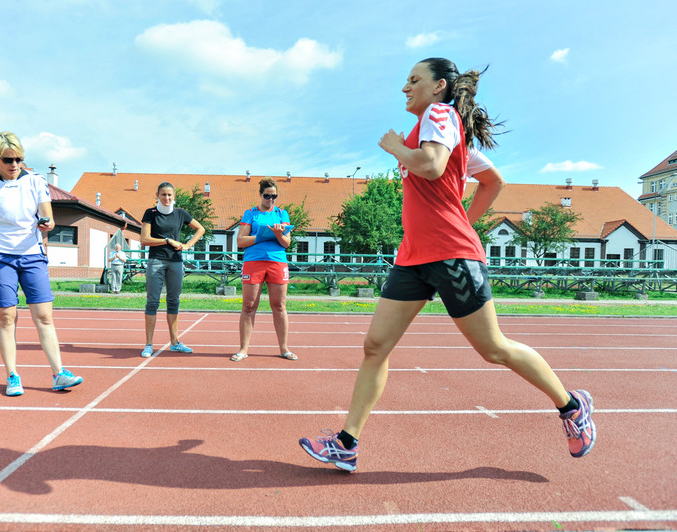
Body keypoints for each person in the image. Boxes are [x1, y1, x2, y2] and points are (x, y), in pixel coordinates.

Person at [299, 58, 595, 471]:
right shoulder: (438, 128)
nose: (405, 87)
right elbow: (491, 180)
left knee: (493, 349)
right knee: (375, 346)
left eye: (413, 80)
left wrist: (397, 149)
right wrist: (455, 208)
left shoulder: (440, 115)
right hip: (414, 256)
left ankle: (571, 406)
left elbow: (434, 166)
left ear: (438, 87)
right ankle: (347, 443)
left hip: (452, 254)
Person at [0, 131, 83, 397]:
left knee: (44, 316)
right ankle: (12, 376)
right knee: (7, 317)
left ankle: (59, 374)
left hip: (32, 255)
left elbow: (50, 220)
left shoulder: (36, 181)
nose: (14, 165)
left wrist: (47, 224)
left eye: (19, 159)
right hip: (0, 256)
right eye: (9, 160)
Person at [231, 178, 297, 362]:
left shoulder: (282, 213)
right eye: (267, 196)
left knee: (279, 306)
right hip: (254, 262)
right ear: (260, 195)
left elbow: (286, 243)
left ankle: (284, 348)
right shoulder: (250, 213)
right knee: (249, 306)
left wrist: (278, 234)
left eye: (274, 196)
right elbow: (241, 241)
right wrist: (260, 236)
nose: (271, 199)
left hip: (277, 262)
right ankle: (243, 349)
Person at [140, 182, 206, 357]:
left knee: (173, 301)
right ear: (157, 195)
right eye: (163, 195)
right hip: (156, 261)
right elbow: (145, 239)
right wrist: (168, 241)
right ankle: (148, 344)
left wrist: (188, 245)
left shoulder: (180, 213)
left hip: (175, 261)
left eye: (170, 195)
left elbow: (201, 229)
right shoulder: (150, 213)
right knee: (152, 302)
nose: (167, 198)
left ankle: (175, 343)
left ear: (174, 196)